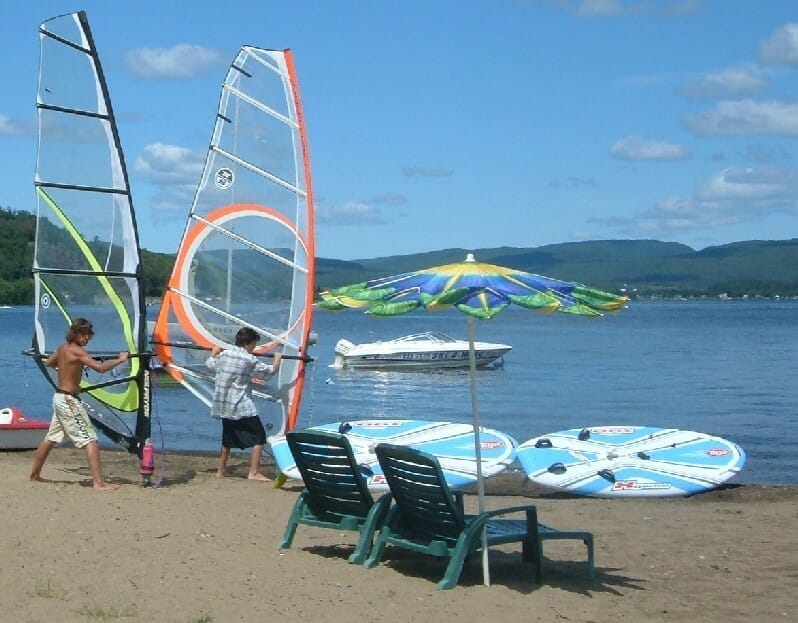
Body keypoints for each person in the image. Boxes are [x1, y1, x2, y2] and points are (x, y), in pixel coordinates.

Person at [29, 317, 129, 492]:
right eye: (83, 335)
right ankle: (99, 483)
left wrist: (66, 370)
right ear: (74, 334)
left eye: (88, 335)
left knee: (51, 438)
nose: (86, 338)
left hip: (60, 398)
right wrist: (121, 359)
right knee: (91, 440)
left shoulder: (62, 348)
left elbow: (49, 363)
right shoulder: (77, 351)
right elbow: (100, 368)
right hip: (68, 400)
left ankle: (34, 475)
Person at [205, 326, 282, 481]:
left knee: (228, 437)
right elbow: (268, 372)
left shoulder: (224, 355)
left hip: (224, 404)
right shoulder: (249, 359)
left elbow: (210, 365)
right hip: (241, 404)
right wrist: (277, 360)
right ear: (248, 343)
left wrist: (213, 352)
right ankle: (253, 472)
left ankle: (221, 470)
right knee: (259, 436)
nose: (254, 348)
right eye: (254, 345)